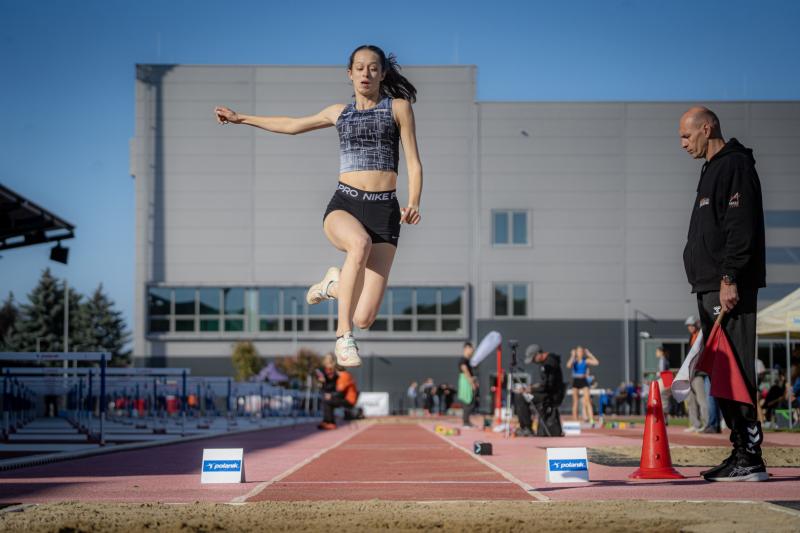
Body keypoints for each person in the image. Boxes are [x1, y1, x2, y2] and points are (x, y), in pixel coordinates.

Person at [214, 45, 423, 368]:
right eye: (359, 67)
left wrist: (413, 202)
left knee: (365, 316)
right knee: (359, 244)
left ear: (382, 74)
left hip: (386, 213)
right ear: (349, 74)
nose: (365, 73)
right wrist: (242, 118)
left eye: (372, 68)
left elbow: (413, 161)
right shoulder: (339, 112)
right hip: (346, 205)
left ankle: (332, 286)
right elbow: (292, 124)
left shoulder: (398, 108)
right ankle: (343, 337)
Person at [680, 106, 767, 481]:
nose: (683, 144)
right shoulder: (710, 170)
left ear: (707, 127)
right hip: (708, 285)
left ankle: (750, 456)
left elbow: (740, 225)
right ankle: (740, 452)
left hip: (726, 286)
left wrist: (729, 276)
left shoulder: (734, 166)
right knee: (721, 373)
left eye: (687, 136)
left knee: (735, 371)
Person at [514, 345, 566, 437]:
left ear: (538, 355)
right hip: (548, 393)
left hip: (549, 397)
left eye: (533, 359)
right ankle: (526, 427)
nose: (533, 362)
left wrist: (530, 389)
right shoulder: (548, 362)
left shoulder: (549, 364)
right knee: (523, 394)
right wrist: (529, 388)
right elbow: (544, 383)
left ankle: (526, 428)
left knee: (521, 396)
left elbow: (547, 386)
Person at [316, 353, 360, 429]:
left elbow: (340, 392)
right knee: (327, 400)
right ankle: (328, 421)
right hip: (347, 398)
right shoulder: (344, 375)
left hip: (348, 400)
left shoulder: (344, 376)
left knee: (327, 401)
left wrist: (331, 395)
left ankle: (330, 422)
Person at [684, 316, 710, 432]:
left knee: (701, 400)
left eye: (691, 325)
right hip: (690, 374)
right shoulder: (691, 338)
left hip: (698, 374)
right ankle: (695, 424)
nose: (689, 328)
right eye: (688, 326)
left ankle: (706, 423)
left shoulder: (701, 337)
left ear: (697, 325)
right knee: (691, 400)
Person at [566, 346, 599, 423]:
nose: (580, 353)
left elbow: (596, 362)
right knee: (575, 401)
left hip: (583, 380)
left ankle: (591, 419)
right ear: (576, 352)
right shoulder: (574, 361)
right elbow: (568, 365)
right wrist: (572, 356)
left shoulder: (585, 360)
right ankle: (575, 420)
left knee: (587, 400)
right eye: (578, 351)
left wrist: (589, 354)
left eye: (581, 351)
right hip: (576, 380)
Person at [457, 342, 478, 428]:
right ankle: (466, 422)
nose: (472, 351)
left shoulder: (468, 360)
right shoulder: (463, 360)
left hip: (467, 381)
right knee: (468, 402)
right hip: (466, 382)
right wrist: (471, 382)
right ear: (466, 348)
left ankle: (467, 421)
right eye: (471, 349)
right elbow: (465, 370)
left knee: (470, 402)